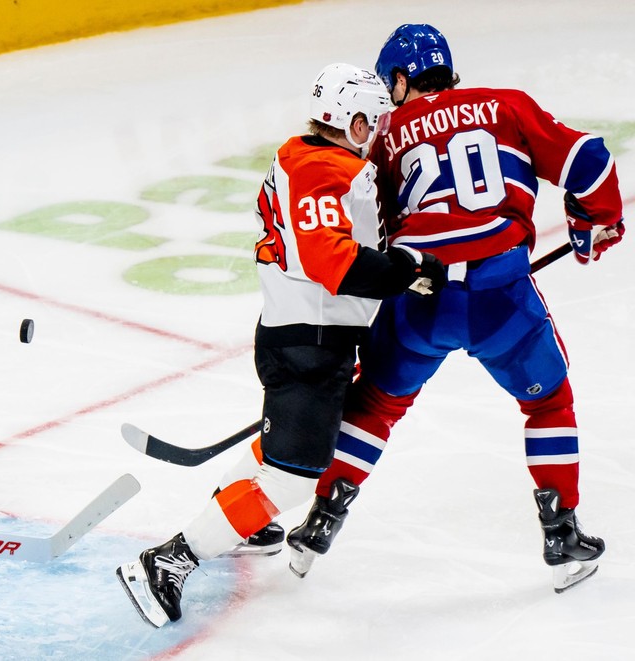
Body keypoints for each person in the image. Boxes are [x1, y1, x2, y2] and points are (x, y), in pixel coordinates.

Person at [285, 24, 623, 593]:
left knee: (375, 403)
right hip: (502, 298)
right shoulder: (507, 107)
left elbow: (363, 233)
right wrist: (594, 221)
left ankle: (322, 519)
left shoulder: (383, 135)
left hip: (419, 296)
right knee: (547, 404)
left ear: (398, 80)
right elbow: (589, 158)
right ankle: (561, 532)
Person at [116, 62, 447, 628]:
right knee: (295, 477)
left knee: (281, 459)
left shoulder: (309, 156)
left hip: (304, 334)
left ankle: (247, 520)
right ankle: (168, 561)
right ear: (352, 118)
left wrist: (394, 271)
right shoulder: (322, 170)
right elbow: (331, 261)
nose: (379, 131)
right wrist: (402, 268)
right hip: (308, 344)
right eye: (373, 121)